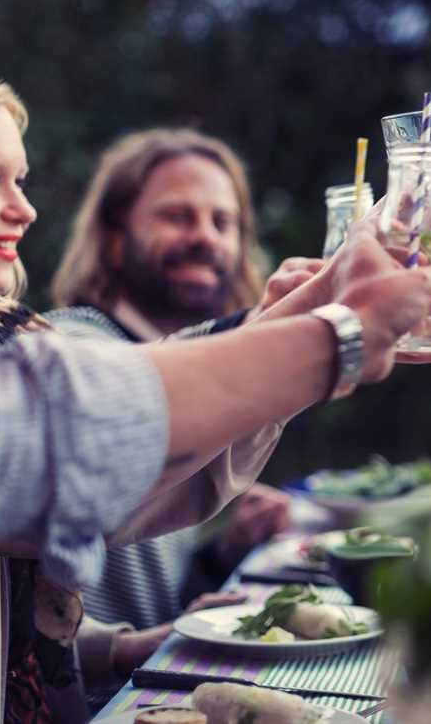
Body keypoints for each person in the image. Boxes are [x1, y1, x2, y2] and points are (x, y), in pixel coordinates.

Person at [0, 71, 431, 722]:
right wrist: (331, 334)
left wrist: (312, 308)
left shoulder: (3, 340)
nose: (25, 208)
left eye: (21, 179)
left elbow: (103, 496)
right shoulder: (56, 346)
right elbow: (73, 450)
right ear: (115, 232)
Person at [45, 128, 300, 694]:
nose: (204, 237)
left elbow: (157, 601)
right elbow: (131, 387)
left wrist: (223, 552)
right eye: (178, 216)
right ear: (114, 238)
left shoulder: (202, 378)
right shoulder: (73, 343)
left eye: (221, 221)